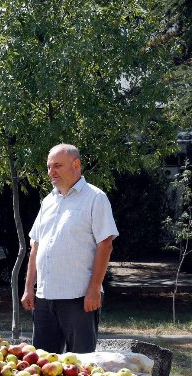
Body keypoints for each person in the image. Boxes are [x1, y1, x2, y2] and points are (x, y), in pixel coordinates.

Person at [21, 144, 118, 353]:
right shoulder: (48, 201)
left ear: (76, 164)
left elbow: (106, 244)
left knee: (82, 365)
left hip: (79, 298)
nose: (51, 172)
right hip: (45, 298)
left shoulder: (95, 198)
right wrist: (29, 287)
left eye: (57, 166)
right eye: (48, 167)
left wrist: (94, 289)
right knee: (43, 366)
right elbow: (35, 245)